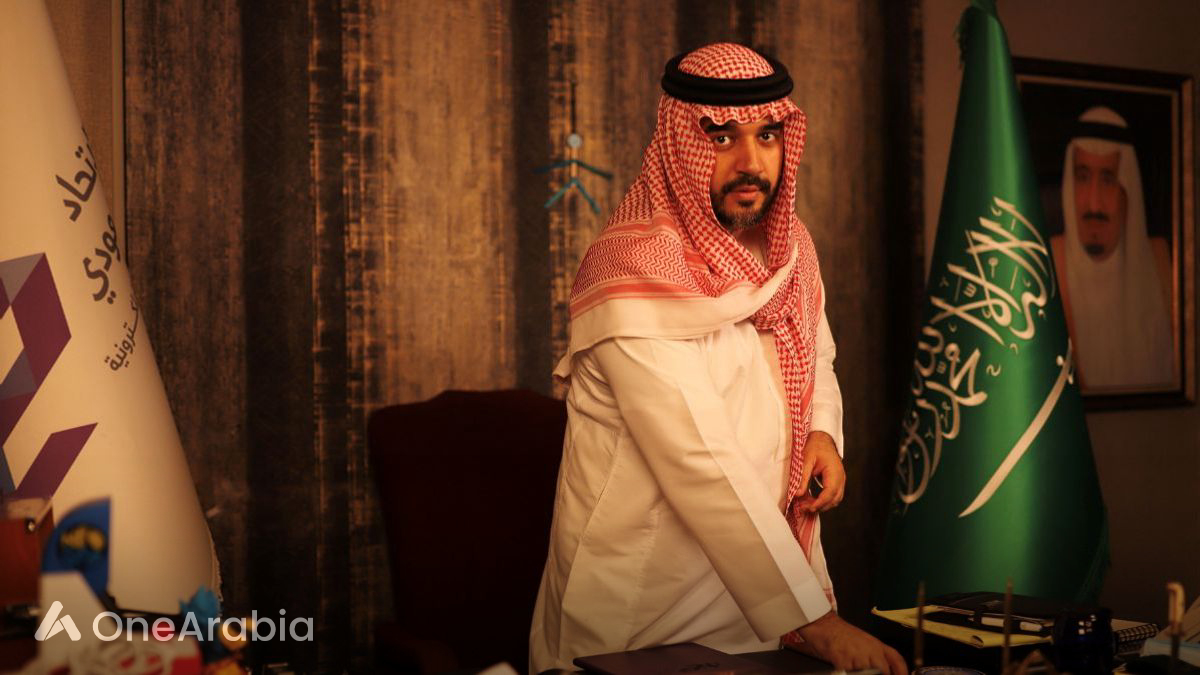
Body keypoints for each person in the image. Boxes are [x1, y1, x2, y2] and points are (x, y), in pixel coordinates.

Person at [529, 43, 906, 674]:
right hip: (639, 616)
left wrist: (822, 430)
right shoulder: (633, 269)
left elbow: (816, 352)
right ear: (681, 145)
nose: (751, 162)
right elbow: (699, 459)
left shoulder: (787, 248)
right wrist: (815, 623)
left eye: (767, 135)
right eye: (722, 137)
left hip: (758, 605)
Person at [1050, 106, 1174, 390]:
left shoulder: (1160, 263)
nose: (1094, 204)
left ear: (1128, 187)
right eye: (1083, 177)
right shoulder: (1050, 263)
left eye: (1108, 179)